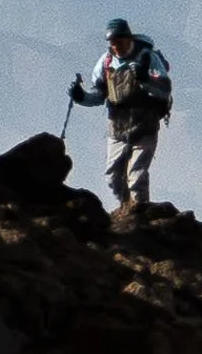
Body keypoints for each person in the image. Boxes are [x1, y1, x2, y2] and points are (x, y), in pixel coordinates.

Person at [68, 17, 172, 212]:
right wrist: (81, 97)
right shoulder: (106, 62)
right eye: (112, 43)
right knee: (113, 177)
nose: (116, 47)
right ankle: (127, 209)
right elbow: (100, 95)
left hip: (145, 126)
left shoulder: (147, 58)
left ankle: (139, 215)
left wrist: (145, 79)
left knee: (136, 176)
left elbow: (164, 88)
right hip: (117, 127)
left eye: (119, 42)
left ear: (128, 38)